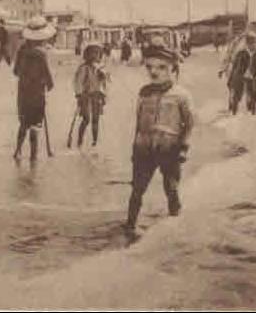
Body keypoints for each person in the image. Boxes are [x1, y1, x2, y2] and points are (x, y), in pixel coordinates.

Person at [125, 38, 194, 237]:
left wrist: (184, 147)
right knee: (137, 189)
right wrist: (134, 147)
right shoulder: (144, 93)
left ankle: (176, 229)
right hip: (144, 148)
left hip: (169, 148)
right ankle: (130, 226)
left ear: (173, 68)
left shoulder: (182, 95)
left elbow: (189, 124)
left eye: (162, 67)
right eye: (150, 67)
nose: (154, 72)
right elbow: (139, 122)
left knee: (171, 188)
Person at [13, 16, 55, 161]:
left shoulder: (22, 50)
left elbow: (15, 72)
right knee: (36, 125)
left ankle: (17, 151)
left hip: (23, 92)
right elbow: (49, 79)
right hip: (37, 93)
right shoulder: (42, 53)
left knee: (23, 123)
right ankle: (33, 156)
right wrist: (48, 84)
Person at [73, 43, 109, 147]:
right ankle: (80, 139)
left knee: (96, 119)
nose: (95, 56)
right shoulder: (84, 68)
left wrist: (104, 78)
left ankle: (94, 141)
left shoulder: (101, 68)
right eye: (93, 53)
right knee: (86, 119)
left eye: (97, 54)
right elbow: (78, 82)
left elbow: (105, 83)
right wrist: (79, 95)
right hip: (85, 96)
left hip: (97, 95)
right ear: (87, 55)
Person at [228, 31, 256, 115]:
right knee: (238, 94)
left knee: (254, 93)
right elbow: (234, 67)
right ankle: (234, 110)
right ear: (248, 44)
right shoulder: (241, 53)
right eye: (254, 43)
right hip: (240, 76)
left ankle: (253, 111)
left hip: (252, 76)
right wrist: (231, 78)